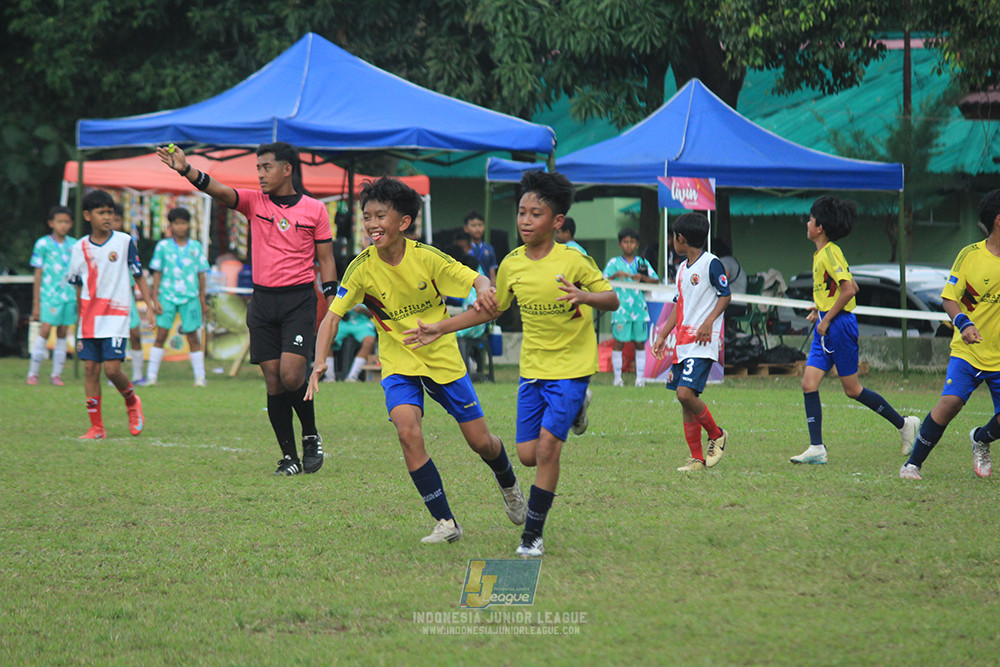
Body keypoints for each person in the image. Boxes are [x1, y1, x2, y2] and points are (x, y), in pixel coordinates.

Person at [405, 170, 619, 558]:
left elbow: (612, 298)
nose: (525, 220)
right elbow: (490, 310)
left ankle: (532, 536)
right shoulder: (511, 264)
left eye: (536, 214)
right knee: (527, 455)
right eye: (521, 212)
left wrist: (585, 297)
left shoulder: (574, 260)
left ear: (556, 221)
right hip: (533, 370)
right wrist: (440, 327)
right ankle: (578, 409)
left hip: (572, 367)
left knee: (549, 448)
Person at [306, 176, 527, 544]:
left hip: (441, 358)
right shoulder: (361, 268)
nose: (372, 224)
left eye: (380, 216)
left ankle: (508, 483)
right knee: (407, 432)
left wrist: (485, 290)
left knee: (481, 442)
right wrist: (318, 362)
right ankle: (446, 522)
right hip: (398, 363)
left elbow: (475, 280)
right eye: (367, 217)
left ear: (404, 222)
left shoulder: (426, 257)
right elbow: (332, 317)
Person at [158, 141, 337, 475]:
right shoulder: (254, 203)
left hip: (299, 301)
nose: (260, 174)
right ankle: (289, 458)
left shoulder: (315, 209)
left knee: (291, 374)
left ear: (287, 169)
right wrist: (185, 169)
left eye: (266, 167)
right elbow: (218, 190)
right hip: (263, 302)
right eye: (258, 168)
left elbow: (326, 259)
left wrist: (332, 299)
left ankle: (311, 434)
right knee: (273, 381)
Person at [792, 196, 920, 465]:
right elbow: (851, 286)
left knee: (852, 389)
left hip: (838, 326)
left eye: (811, 219)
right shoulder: (821, 253)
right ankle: (817, 448)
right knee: (808, 383)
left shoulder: (830, 252)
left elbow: (849, 290)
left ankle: (904, 424)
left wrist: (827, 318)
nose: (807, 223)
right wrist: (820, 308)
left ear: (820, 227)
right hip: (828, 323)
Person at [901, 190, 1000, 480]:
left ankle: (980, 439)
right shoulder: (970, 255)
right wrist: (964, 324)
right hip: (968, 351)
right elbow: (949, 298)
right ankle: (912, 465)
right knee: (951, 403)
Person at [67, 189, 157, 439]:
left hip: (116, 315)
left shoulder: (124, 242)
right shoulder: (79, 247)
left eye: (110, 212)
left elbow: (138, 275)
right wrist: (79, 315)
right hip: (89, 318)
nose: (107, 217)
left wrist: (150, 307)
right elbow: (78, 283)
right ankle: (96, 427)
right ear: (88, 215)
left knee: (112, 370)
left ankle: (132, 401)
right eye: (101, 213)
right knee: (90, 370)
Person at [651, 213, 732, 472]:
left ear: (681, 238)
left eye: (673, 237)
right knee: (686, 399)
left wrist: (709, 322)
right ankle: (697, 458)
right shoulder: (682, 269)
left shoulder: (711, 263)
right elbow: (679, 305)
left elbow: (725, 295)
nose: (672, 241)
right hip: (683, 343)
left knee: (684, 393)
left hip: (702, 343)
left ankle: (717, 433)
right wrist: (663, 335)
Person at [146, 207, 210, 387]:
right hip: (167, 295)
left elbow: (201, 274)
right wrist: (155, 298)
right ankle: (151, 377)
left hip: (190, 297)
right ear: (171, 225)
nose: (180, 227)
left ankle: (200, 378)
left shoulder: (196, 247)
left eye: (183, 223)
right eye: (177, 223)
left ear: (189, 225)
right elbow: (157, 272)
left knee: (193, 337)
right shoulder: (163, 246)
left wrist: (202, 299)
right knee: (161, 335)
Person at [603, 228, 660, 387]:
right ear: (620, 244)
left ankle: (640, 379)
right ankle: (617, 379)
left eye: (632, 242)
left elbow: (655, 280)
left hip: (639, 309)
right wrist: (615, 276)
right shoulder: (614, 263)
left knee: (640, 343)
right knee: (619, 342)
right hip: (620, 309)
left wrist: (642, 277)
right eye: (625, 242)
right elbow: (602, 279)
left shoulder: (642, 262)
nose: (629, 245)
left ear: (637, 244)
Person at [26, 205, 76, 386]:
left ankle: (56, 374)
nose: (63, 225)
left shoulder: (75, 245)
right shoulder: (42, 244)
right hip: (48, 295)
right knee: (45, 330)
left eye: (66, 222)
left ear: (71, 224)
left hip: (69, 295)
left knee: (63, 331)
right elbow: (37, 274)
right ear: (51, 223)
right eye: (59, 221)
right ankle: (33, 373)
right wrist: (36, 303)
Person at [110, 203, 146, 383]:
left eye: (117, 220)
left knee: (135, 335)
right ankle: (113, 375)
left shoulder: (126, 242)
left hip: (127, 297)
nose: (113, 223)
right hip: (108, 299)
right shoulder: (97, 243)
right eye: (111, 219)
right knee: (113, 339)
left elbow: (136, 273)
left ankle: (138, 375)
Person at [323, 304, 377, 382]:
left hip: (362, 323)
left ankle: (353, 377)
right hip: (342, 323)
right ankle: (329, 377)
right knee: (326, 340)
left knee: (369, 341)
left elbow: (375, 314)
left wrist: (364, 310)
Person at [463, 210, 499, 285]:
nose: (477, 229)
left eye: (480, 225)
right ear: (466, 229)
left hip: (486, 288)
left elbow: (492, 274)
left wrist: (493, 287)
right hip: (469, 288)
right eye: (473, 226)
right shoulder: (463, 249)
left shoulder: (489, 248)